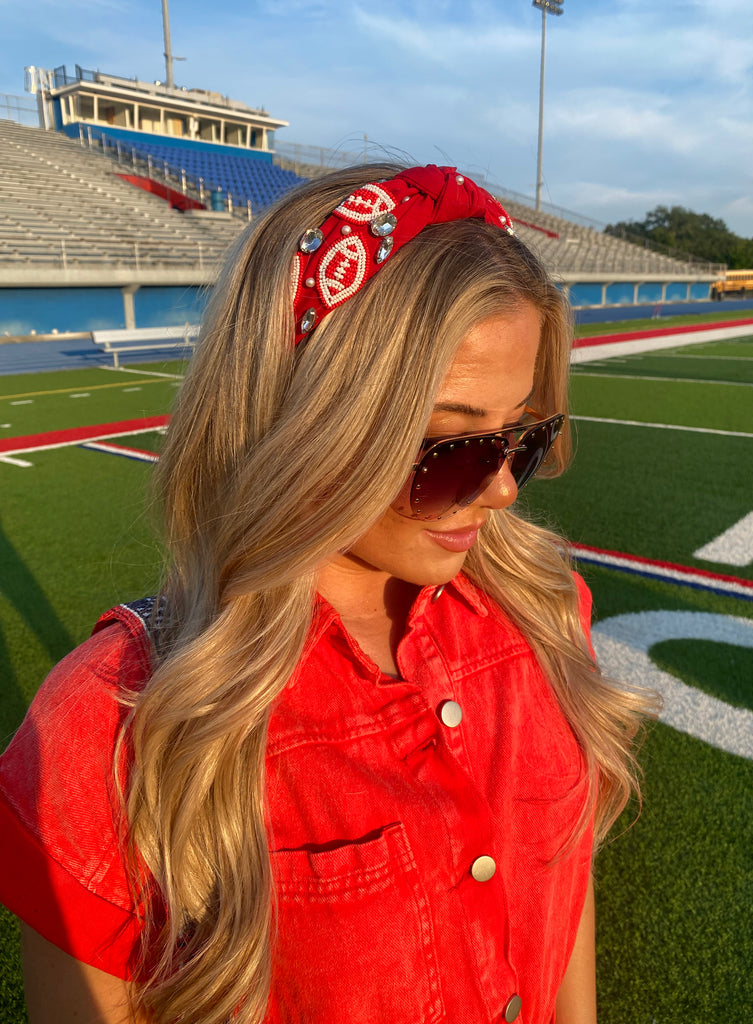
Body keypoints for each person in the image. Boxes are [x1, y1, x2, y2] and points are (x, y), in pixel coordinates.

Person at [0, 164, 654, 1024]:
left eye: (522, 437)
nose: (502, 490)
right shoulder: (109, 727)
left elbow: (564, 887)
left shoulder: (543, 610)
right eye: (450, 450)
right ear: (308, 425)